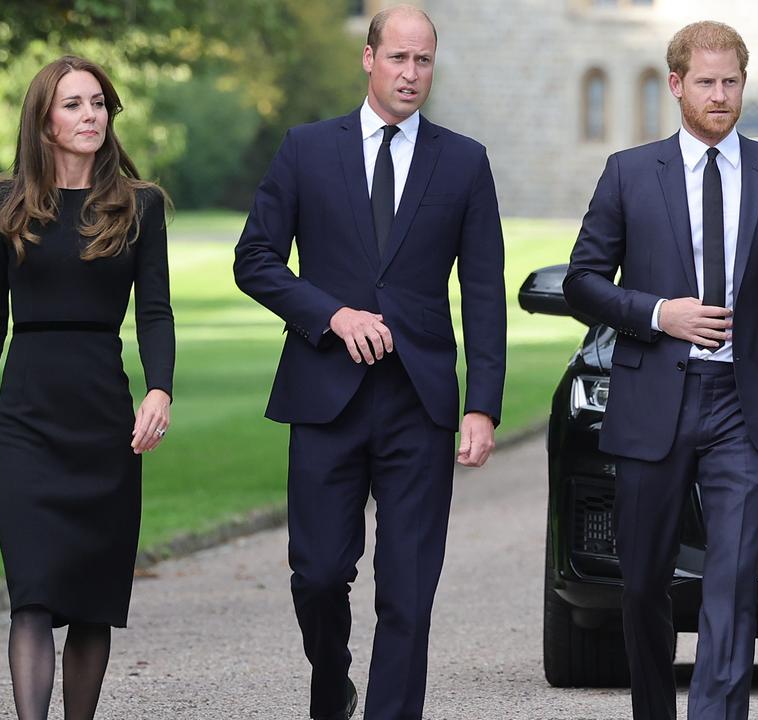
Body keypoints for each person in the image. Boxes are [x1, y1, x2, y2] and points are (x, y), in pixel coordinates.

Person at [232, 6, 505, 720]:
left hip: (419, 403)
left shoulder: (464, 160)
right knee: (319, 576)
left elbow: (482, 291)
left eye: (423, 62)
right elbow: (254, 259)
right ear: (369, 58)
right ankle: (332, 679)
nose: (411, 74)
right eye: (398, 59)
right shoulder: (305, 149)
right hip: (325, 397)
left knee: (408, 589)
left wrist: (483, 403)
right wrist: (331, 315)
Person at [564, 21, 758, 720]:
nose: (720, 95)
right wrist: (658, 314)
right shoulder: (629, 172)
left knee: (733, 577)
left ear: (745, 82)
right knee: (644, 581)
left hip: (745, 405)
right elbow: (583, 283)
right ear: (677, 84)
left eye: (731, 82)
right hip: (655, 398)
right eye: (706, 82)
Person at [0, 55, 174, 720]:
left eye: (99, 103)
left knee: (91, 599)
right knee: (34, 596)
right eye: (74, 105)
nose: (91, 117)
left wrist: (159, 390)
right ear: (44, 122)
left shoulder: (140, 206)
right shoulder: (4, 204)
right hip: (27, 418)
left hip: (102, 420)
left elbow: (155, 312)